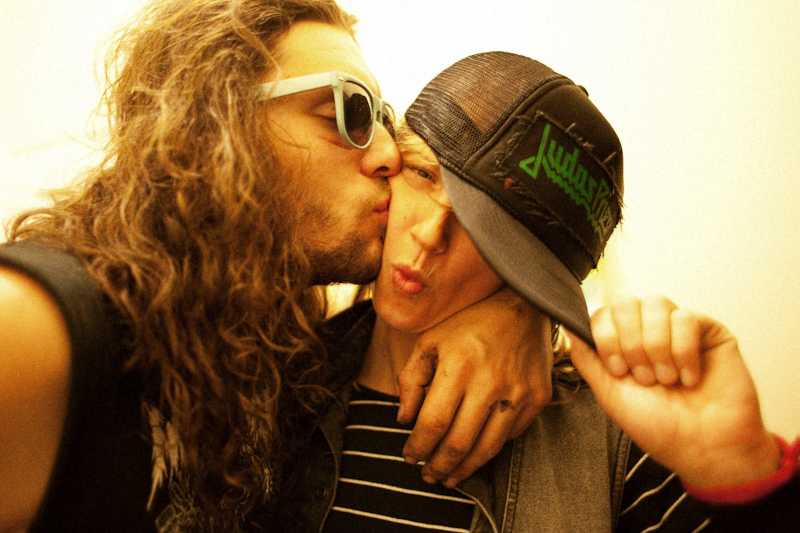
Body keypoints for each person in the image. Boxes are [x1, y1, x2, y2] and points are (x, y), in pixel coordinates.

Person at [0, 3, 554, 532]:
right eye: (350, 110)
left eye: (383, 119)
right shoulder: (38, 328)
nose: (390, 153)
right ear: (215, 126)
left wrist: (526, 306)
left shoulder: (272, 357)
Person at [281, 52, 800, 531]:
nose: (431, 233)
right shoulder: (273, 380)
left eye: (489, 229)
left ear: (530, 277)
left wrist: (737, 469)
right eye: (422, 173)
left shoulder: (620, 440)